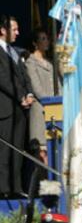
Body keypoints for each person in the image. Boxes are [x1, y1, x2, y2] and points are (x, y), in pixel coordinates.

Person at [0, 15, 34, 197]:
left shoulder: (15, 52)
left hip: (20, 108)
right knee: (5, 150)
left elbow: (24, 76)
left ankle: (16, 187)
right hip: (5, 107)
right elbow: (3, 79)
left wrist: (28, 93)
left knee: (18, 149)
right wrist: (20, 96)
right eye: (14, 29)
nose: (17, 33)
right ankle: (3, 188)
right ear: (3, 30)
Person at [25, 28, 56, 164]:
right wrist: (49, 102)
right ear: (35, 43)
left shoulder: (49, 62)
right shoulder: (31, 63)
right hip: (40, 109)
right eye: (43, 39)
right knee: (41, 153)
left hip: (53, 110)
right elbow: (36, 87)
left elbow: (58, 84)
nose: (46, 42)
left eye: (47, 38)